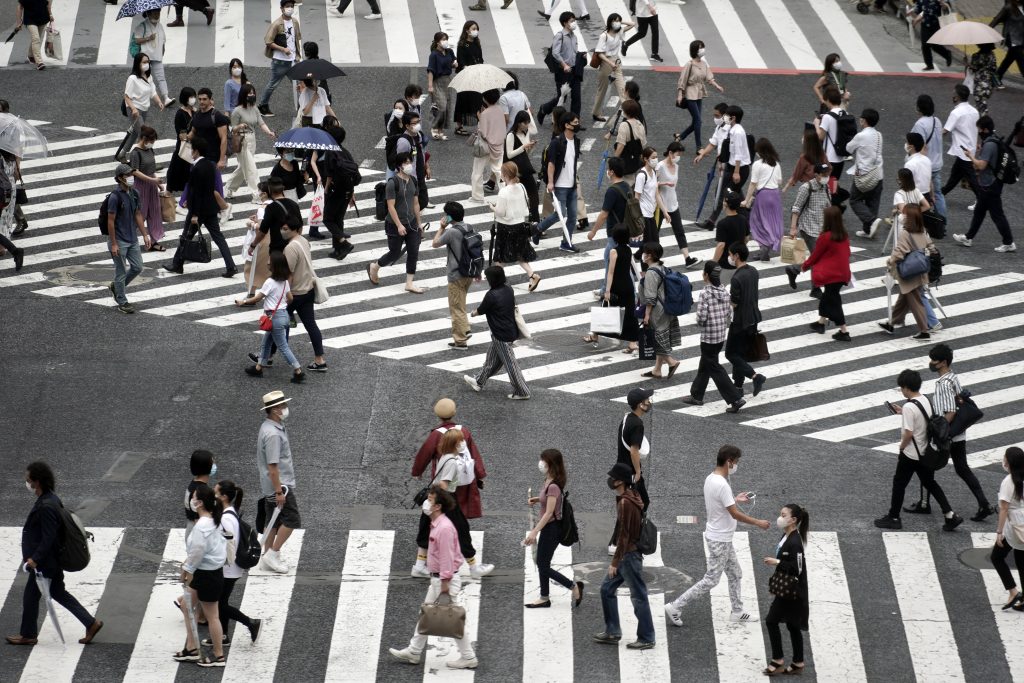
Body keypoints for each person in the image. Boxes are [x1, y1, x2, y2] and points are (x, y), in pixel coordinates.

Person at [665, 445, 770, 626]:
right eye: (736, 462)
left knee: (735, 573)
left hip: (722, 537)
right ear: (729, 461)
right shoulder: (722, 484)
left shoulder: (711, 478)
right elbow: (734, 514)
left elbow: (720, 502)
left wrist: (734, 499)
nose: (736, 466)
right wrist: (758, 523)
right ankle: (675, 606)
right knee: (711, 579)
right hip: (719, 539)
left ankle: (737, 611)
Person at [6, 462, 104, 647]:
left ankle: (28, 635)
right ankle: (91, 623)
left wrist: (35, 559)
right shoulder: (51, 498)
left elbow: (49, 537)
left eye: (28, 479)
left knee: (30, 595)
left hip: (45, 563)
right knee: (58, 592)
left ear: (37, 482)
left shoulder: (46, 506)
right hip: (51, 561)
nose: (26, 482)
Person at [389, 487, 479, 670]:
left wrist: (444, 585)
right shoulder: (437, 523)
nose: (426, 503)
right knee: (426, 615)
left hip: (444, 580)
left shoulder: (444, 528)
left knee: (452, 619)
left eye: (429, 500)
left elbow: (446, 557)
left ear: (438, 506)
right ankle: (414, 651)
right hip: (438, 579)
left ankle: (468, 657)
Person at [905, 344, 995, 518]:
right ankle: (983, 504)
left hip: (947, 434)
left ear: (943, 362)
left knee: (926, 465)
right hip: (958, 433)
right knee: (962, 468)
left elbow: (951, 412)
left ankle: (925, 504)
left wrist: (940, 432)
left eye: (934, 360)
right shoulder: (953, 377)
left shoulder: (943, 384)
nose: (931, 363)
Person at [873, 369, 964, 531]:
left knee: (899, 484)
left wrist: (901, 447)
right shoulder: (925, 400)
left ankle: (894, 517)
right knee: (930, 483)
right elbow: (923, 419)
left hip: (910, 454)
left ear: (907, 388)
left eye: (901, 388)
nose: (901, 391)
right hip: (925, 452)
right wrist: (902, 412)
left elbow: (908, 433)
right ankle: (950, 514)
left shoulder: (909, 406)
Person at [410, 399, 490, 574]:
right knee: (461, 527)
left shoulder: (436, 436)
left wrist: (417, 472)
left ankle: (419, 565)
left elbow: (424, 453)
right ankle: (473, 565)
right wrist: (479, 475)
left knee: (426, 524)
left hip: (440, 491)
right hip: (451, 491)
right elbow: (473, 455)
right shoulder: (463, 433)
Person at [593, 462, 654, 650]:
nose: (610, 480)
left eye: (613, 478)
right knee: (606, 589)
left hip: (628, 557)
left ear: (620, 481)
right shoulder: (631, 495)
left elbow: (624, 535)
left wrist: (614, 562)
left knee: (638, 597)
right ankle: (612, 631)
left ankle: (646, 637)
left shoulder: (627, 502)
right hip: (628, 555)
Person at [173, 483, 227, 667]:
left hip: (205, 574)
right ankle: (192, 647)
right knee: (186, 606)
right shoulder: (214, 519)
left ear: (201, 503)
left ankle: (218, 655)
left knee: (212, 616)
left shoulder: (202, 526)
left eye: (194, 497)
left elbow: (197, 552)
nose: (192, 500)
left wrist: (186, 569)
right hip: (211, 572)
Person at [164, 138, 235, 277]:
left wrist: (195, 213)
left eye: (192, 150)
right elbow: (206, 189)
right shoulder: (210, 165)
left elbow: (197, 192)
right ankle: (231, 266)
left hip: (198, 210)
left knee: (186, 236)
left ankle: (177, 264)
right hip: (211, 208)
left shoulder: (196, 168)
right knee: (219, 238)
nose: (191, 152)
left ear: (196, 151)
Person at [524, 449, 584, 608]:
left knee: (543, 564)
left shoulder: (553, 486)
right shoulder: (549, 480)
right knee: (543, 562)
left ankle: (573, 586)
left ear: (552, 464)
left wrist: (534, 531)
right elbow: (551, 501)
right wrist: (538, 500)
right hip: (549, 528)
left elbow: (550, 512)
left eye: (544, 460)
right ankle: (544, 597)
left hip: (552, 529)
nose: (541, 463)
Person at [682, 262, 745, 412]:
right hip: (720, 335)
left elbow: (702, 317)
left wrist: (699, 322)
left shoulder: (705, 293)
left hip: (708, 336)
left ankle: (735, 398)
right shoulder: (724, 291)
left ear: (706, 275)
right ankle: (696, 395)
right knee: (706, 364)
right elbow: (729, 313)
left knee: (714, 367)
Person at [236, 250, 305, 382]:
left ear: (274, 266)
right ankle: (258, 368)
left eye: (269, 261)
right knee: (266, 344)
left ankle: (298, 371)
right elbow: (290, 298)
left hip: (274, 319)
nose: (267, 263)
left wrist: (243, 302)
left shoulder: (270, 282)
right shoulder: (285, 282)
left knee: (283, 347)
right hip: (283, 315)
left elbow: (257, 298)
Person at [464, 266, 531, 399]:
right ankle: (479, 381)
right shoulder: (508, 289)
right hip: (509, 330)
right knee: (492, 359)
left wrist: (472, 313)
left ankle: (522, 391)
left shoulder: (491, 295)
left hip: (501, 335)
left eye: (487, 277)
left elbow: (481, 309)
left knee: (510, 364)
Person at [953, 115, 1017, 252]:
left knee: (997, 215)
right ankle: (968, 237)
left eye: (980, 130)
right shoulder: (993, 140)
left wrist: (971, 156)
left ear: (985, 130)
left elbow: (980, 166)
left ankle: (1009, 242)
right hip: (989, 184)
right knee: (979, 211)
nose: (979, 133)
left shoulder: (989, 144)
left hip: (990, 185)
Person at [787, 206, 852, 341]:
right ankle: (821, 323)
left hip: (831, 275)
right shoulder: (844, 235)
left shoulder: (825, 237)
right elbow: (848, 253)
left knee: (834, 301)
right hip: (843, 273)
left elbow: (815, 256)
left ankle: (844, 331)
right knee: (828, 298)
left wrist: (803, 267)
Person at [255, 390, 302, 572]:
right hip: (280, 485)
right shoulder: (273, 434)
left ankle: (267, 556)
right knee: (292, 519)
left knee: (272, 521)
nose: (285, 408)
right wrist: (279, 491)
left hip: (270, 484)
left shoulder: (268, 427)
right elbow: (273, 466)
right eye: (282, 406)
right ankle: (273, 553)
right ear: (274, 409)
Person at [762, 504, 810, 677]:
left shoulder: (795, 542)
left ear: (793, 520)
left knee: (771, 621)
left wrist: (776, 563)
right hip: (787, 589)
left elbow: (797, 569)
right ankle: (798, 662)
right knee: (792, 625)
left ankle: (778, 660)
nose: (779, 518)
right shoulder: (787, 535)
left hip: (793, 592)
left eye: (783, 515)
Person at [368, 152, 426, 293]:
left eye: (409, 162)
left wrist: (419, 223)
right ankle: (375, 266)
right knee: (394, 253)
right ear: (399, 166)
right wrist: (399, 225)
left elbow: (416, 203)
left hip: (411, 223)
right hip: (394, 224)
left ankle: (409, 283)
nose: (409, 165)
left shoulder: (413, 180)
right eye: (405, 163)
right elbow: (391, 207)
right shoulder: (392, 183)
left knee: (413, 252)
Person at [212, 481, 262, 646]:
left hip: (227, 567)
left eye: (216, 491)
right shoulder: (230, 512)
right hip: (232, 567)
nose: (213, 494)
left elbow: (228, 544)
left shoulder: (226, 518)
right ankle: (224, 636)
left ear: (224, 496)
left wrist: (219, 563)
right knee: (222, 602)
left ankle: (250, 623)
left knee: (219, 604)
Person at [878, 205, 936, 341]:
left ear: (909, 218)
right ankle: (892, 323)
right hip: (920, 271)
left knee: (915, 302)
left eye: (904, 214)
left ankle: (924, 331)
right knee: (904, 299)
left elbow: (899, 252)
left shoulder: (906, 233)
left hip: (909, 273)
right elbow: (931, 247)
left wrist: (890, 261)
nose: (902, 216)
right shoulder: (922, 231)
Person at [106, 163, 152, 314]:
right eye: (128, 175)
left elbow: (138, 214)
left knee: (137, 267)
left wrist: (145, 234)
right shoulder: (115, 197)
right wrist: (113, 244)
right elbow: (110, 221)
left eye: (132, 174)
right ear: (120, 178)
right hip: (118, 240)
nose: (131, 178)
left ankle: (116, 287)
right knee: (120, 271)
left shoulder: (134, 193)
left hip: (132, 238)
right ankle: (122, 301)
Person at [584, 225, 639, 352]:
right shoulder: (628, 249)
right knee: (630, 314)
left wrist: (607, 290)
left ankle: (595, 335)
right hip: (628, 286)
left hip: (617, 286)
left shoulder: (614, 251)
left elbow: (611, 272)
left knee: (606, 310)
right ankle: (632, 342)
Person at [533, 110, 581, 252]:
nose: (578, 125)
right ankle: (537, 228)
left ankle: (566, 242)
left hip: (571, 185)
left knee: (572, 215)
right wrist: (550, 182)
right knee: (560, 214)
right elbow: (551, 163)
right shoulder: (557, 142)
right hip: (559, 186)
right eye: (575, 123)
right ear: (567, 125)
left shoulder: (576, 141)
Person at [281, 221, 326, 373]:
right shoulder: (303, 241)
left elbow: (289, 274)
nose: (283, 231)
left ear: (296, 229)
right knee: (310, 324)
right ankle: (319, 360)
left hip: (296, 293)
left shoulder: (290, 247)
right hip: (308, 290)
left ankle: (267, 355)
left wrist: (285, 295)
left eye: (286, 228)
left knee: (276, 321)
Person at [724, 242, 767, 396]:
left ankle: (755, 376)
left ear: (736, 256)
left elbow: (734, 303)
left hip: (740, 321)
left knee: (730, 354)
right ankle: (738, 386)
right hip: (753, 318)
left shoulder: (736, 278)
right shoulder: (753, 271)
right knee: (740, 354)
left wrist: (725, 298)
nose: (729, 257)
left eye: (730, 254)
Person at [431, 202, 475, 350]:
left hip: (456, 273)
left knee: (456, 307)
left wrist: (441, 228)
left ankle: (460, 340)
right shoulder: (468, 227)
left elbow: (435, 243)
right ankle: (465, 329)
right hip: (469, 271)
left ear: (449, 217)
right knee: (461, 303)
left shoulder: (451, 232)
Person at [488, 163, 538, 287]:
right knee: (520, 253)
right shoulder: (521, 186)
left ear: (505, 175)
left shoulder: (504, 192)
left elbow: (501, 212)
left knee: (500, 256)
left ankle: (498, 282)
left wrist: (492, 208)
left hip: (506, 227)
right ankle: (532, 275)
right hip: (520, 224)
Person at [226, 83, 276, 201]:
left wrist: (269, 132)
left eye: (253, 93)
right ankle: (257, 195)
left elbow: (261, 122)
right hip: (242, 140)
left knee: (243, 167)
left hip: (252, 139)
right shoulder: (237, 111)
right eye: (249, 93)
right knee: (251, 168)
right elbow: (232, 129)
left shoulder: (254, 108)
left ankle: (228, 188)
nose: (252, 95)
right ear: (244, 95)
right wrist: (240, 126)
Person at [789, 162, 831, 296]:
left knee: (816, 257)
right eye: (823, 175)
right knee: (818, 258)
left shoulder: (826, 187)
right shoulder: (806, 188)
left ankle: (794, 269)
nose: (826, 177)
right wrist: (793, 228)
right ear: (816, 174)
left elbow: (828, 206)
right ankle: (815, 288)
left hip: (821, 228)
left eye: (827, 174)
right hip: (808, 227)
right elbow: (796, 208)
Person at [638, 242, 680, 378]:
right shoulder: (662, 267)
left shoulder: (651, 272)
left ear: (649, 256)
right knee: (662, 336)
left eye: (645, 253)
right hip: (667, 307)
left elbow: (650, 298)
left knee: (657, 338)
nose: (642, 255)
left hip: (657, 311)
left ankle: (671, 362)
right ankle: (657, 369)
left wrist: (646, 315)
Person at [990, 447, 1024, 611]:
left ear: (1009, 462)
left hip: (1015, 527)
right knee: (1021, 560)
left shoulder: (1009, 481)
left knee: (997, 557)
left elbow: (1004, 509)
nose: (1003, 460)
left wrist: (999, 532)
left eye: (1004, 458)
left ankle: (1013, 591)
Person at [656, 141, 699, 267]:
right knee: (654, 233)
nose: (678, 157)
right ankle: (643, 254)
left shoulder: (677, 167)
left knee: (679, 231)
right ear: (670, 153)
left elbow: (674, 186)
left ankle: (687, 258)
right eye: (677, 154)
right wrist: (664, 184)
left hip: (673, 204)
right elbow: (652, 185)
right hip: (660, 205)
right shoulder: (660, 166)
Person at [117, 52, 165, 162]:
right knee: (145, 135)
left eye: (147, 62)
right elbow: (126, 96)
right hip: (135, 110)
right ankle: (148, 160)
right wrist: (133, 109)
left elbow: (153, 92)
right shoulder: (132, 78)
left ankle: (122, 154)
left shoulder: (149, 77)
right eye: (144, 62)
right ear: (138, 64)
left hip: (144, 109)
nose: (146, 64)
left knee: (135, 133)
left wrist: (159, 102)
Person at [845, 108, 885, 242]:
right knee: (873, 201)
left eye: (861, 118)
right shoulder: (879, 135)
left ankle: (871, 221)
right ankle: (868, 230)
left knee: (854, 200)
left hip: (864, 174)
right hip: (878, 173)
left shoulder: (861, 135)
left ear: (864, 120)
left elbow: (848, 148)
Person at [319, 123, 357, 260]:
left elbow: (329, 176)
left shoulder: (330, 152)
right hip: (348, 190)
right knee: (338, 219)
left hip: (336, 190)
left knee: (328, 219)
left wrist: (326, 190)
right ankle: (338, 249)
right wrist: (352, 193)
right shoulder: (345, 151)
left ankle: (343, 243)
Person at [676, 39, 724, 147]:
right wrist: (680, 94)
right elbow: (682, 79)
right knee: (698, 120)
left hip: (699, 93)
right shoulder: (689, 64)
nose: (702, 49)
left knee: (696, 121)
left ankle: (680, 137)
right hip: (690, 94)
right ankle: (698, 146)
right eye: (700, 47)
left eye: (702, 47)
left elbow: (709, 77)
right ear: (695, 50)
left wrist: (717, 86)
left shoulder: (704, 63)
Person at [258, 0, 303, 118]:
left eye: (292, 6)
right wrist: (283, 49)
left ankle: (303, 108)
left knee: (299, 84)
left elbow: (295, 40)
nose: (290, 9)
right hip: (280, 61)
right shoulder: (277, 24)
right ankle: (262, 106)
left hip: (293, 60)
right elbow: (268, 41)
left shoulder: (295, 22)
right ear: (282, 8)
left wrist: (297, 56)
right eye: (287, 6)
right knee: (273, 84)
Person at [742, 137, 783, 262]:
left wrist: (746, 199)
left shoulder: (757, 164)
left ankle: (763, 246)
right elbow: (780, 181)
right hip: (775, 195)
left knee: (758, 222)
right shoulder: (776, 164)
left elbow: (753, 183)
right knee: (772, 222)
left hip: (763, 195)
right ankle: (769, 245)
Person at [693, 102, 732, 229]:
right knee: (730, 193)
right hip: (723, 166)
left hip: (729, 166)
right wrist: (702, 155)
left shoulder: (731, 130)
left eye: (717, 115)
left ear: (725, 115)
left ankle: (711, 221)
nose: (715, 118)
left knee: (721, 193)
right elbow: (713, 143)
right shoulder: (719, 128)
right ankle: (712, 221)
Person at [538, 12, 582, 121]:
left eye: (574, 20)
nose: (574, 23)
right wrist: (564, 65)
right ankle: (544, 109)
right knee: (562, 96)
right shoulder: (560, 36)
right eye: (571, 21)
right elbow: (555, 53)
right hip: (563, 72)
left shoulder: (574, 36)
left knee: (577, 96)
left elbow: (573, 52)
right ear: (565, 23)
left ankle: (574, 120)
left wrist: (581, 55)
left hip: (574, 70)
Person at [128, 126, 165, 252]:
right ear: (144, 139)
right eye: (151, 140)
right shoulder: (135, 152)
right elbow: (135, 172)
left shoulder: (150, 150)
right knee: (140, 214)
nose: (152, 143)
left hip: (151, 185)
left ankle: (154, 241)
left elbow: (151, 170)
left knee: (154, 213)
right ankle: (127, 239)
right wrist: (152, 180)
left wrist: (158, 184)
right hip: (140, 186)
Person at [940, 85, 980, 202]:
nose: (952, 96)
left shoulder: (956, 113)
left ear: (956, 98)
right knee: (955, 174)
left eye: (953, 94)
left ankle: (982, 200)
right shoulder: (974, 111)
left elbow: (945, 131)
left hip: (962, 150)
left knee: (971, 177)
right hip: (970, 149)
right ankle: (941, 194)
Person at [911, 94, 947, 218]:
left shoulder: (920, 124)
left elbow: (917, 145)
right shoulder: (937, 121)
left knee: (913, 191)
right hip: (937, 163)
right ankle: (942, 222)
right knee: (937, 194)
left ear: (919, 107)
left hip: (925, 164)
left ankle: (906, 217)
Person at [591, 14, 631, 122]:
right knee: (602, 90)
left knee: (622, 88)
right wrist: (610, 63)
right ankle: (596, 113)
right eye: (615, 21)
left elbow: (633, 24)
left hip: (616, 62)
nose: (617, 22)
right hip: (606, 63)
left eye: (618, 20)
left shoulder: (619, 32)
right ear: (610, 22)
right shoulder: (604, 36)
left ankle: (627, 113)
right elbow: (599, 53)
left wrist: (621, 23)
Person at [504, 110, 540, 224]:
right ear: (519, 123)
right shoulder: (511, 135)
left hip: (524, 168)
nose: (527, 125)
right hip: (514, 171)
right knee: (514, 198)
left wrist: (531, 147)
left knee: (534, 195)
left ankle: (535, 222)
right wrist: (523, 147)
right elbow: (509, 154)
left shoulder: (526, 133)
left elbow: (525, 154)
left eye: (528, 122)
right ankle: (513, 222)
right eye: (525, 123)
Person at [470, 90, 506, 202]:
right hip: (499, 145)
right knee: (499, 170)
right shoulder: (500, 110)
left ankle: (477, 196)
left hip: (485, 147)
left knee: (477, 172)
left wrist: (480, 118)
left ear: (485, 99)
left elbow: (483, 133)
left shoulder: (484, 113)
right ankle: (505, 192)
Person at [393, 110, 431, 211]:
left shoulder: (419, 135)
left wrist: (427, 166)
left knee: (423, 201)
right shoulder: (404, 142)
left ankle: (416, 223)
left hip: (420, 175)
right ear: (407, 126)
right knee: (413, 206)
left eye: (418, 122)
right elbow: (400, 162)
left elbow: (422, 152)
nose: (417, 125)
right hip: (410, 178)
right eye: (414, 123)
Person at [133, 10, 173, 107]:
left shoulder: (160, 26)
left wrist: (162, 51)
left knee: (161, 78)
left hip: (157, 57)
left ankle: (166, 98)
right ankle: (137, 98)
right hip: (145, 58)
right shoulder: (142, 26)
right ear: (148, 14)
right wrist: (148, 38)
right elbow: (137, 40)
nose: (157, 15)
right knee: (143, 78)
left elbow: (163, 40)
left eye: (158, 13)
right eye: (155, 13)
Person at [189, 88, 230, 174]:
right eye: (199, 99)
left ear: (210, 100)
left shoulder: (217, 116)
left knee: (214, 185)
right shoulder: (197, 115)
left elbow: (224, 138)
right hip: (198, 157)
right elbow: (193, 132)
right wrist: (185, 137)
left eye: (204, 99)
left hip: (212, 158)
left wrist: (222, 159)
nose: (201, 102)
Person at [454, 22, 484, 137]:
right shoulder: (462, 44)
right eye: (474, 28)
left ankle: (479, 127)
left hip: (476, 75)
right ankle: (459, 126)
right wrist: (467, 67)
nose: (476, 31)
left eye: (477, 28)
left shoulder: (477, 43)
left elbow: (480, 58)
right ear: (467, 30)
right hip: (465, 76)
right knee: (463, 100)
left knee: (477, 100)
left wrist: (480, 67)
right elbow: (461, 61)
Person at [425, 32, 457, 140]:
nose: (445, 41)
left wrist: (454, 64)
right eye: (443, 39)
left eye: (446, 39)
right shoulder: (433, 55)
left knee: (447, 107)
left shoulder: (449, 52)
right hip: (437, 81)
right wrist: (430, 85)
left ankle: (441, 130)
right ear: (437, 41)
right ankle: (434, 127)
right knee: (441, 106)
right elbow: (430, 70)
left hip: (447, 81)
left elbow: (453, 62)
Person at [814, 88, 848, 185]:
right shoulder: (845, 113)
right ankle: (833, 199)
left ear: (828, 100)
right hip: (841, 157)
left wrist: (816, 124)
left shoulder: (827, 117)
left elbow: (820, 136)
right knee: (834, 184)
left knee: (824, 185)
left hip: (829, 157)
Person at [166, 87, 196, 196]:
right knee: (177, 171)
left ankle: (188, 196)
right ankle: (169, 194)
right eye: (190, 97)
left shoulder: (195, 111)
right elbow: (182, 135)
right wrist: (192, 133)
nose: (193, 99)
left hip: (195, 146)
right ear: (185, 98)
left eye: (194, 96)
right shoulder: (180, 114)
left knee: (191, 174)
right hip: (184, 147)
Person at [909, 0, 953, 71]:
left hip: (936, 25)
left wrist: (943, 4)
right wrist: (914, 18)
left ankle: (947, 54)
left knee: (935, 46)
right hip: (925, 25)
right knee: (925, 45)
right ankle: (929, 65)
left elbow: (947, 9)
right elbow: (921, 12)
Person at [183, 449, 216, 540]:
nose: (214, 466)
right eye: (212, 463)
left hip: (192, 529)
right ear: (206, 467)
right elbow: (199, 518)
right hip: (199, 536)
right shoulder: (200, 492)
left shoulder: (193, 485)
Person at [634, 146, 662, 254]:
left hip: (651, 214)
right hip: (643, 215)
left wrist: (665, 211)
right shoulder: (641, 175)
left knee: (654, 244)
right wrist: (637, 218)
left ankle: (645, 264)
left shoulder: (654, 173)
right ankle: (646, 269)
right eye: (653, 157)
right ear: (646, 159)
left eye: (656, 157)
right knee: (648, 246)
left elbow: (656, 194)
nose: (656, 159)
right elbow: (637, 197)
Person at [612, 100, 647, 184]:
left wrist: (614, 161)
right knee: (633, 181)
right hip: (635, 161)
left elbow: (621, 146)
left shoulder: (624, 125)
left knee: (623, 183)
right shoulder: (640, 124)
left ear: (626, 112)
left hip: (625, 161)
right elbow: (643, 144)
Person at [712, 191, 748, 270]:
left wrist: (713, 263)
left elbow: (721, 245)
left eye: (724, 200)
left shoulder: (722, 223)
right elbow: (747, 238)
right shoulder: (743, 219)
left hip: (725, 263)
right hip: (739, 261)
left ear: (725, 204)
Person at [991, 1, 1024, 85]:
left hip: (1021, 39)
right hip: (1012, 39)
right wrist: (987, 30)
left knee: (1008, 59)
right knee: (1021, 60)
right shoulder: (1008, 8)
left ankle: (996, 77)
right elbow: (997, 19)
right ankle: (996, 77)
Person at [15, 0, 50, 70]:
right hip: (30, 19)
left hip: (43, 18)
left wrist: (50, 15)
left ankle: (31, 55)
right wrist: (18, 23)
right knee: (36, 38)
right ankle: (39, 62)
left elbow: (47, 3)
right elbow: (20, 7)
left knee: (36, 38)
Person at [967, 44, 998, 116]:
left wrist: (966, 63)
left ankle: (984, 121)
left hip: (979, 84)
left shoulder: (976, 56)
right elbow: (994, 68)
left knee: (981, 105)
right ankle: (981, 119)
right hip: (989, 83)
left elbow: (972, 69)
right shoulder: (992, 55)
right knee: (982, 102)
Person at [903, 133, 933, 202]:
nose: (905, 144)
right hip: (926, 196)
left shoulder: (909, 164)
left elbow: (907, 185)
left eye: (907, 142)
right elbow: (930, 181)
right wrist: (932, 196)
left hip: (914, 198)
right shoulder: (927, 160)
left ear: (911, 147)